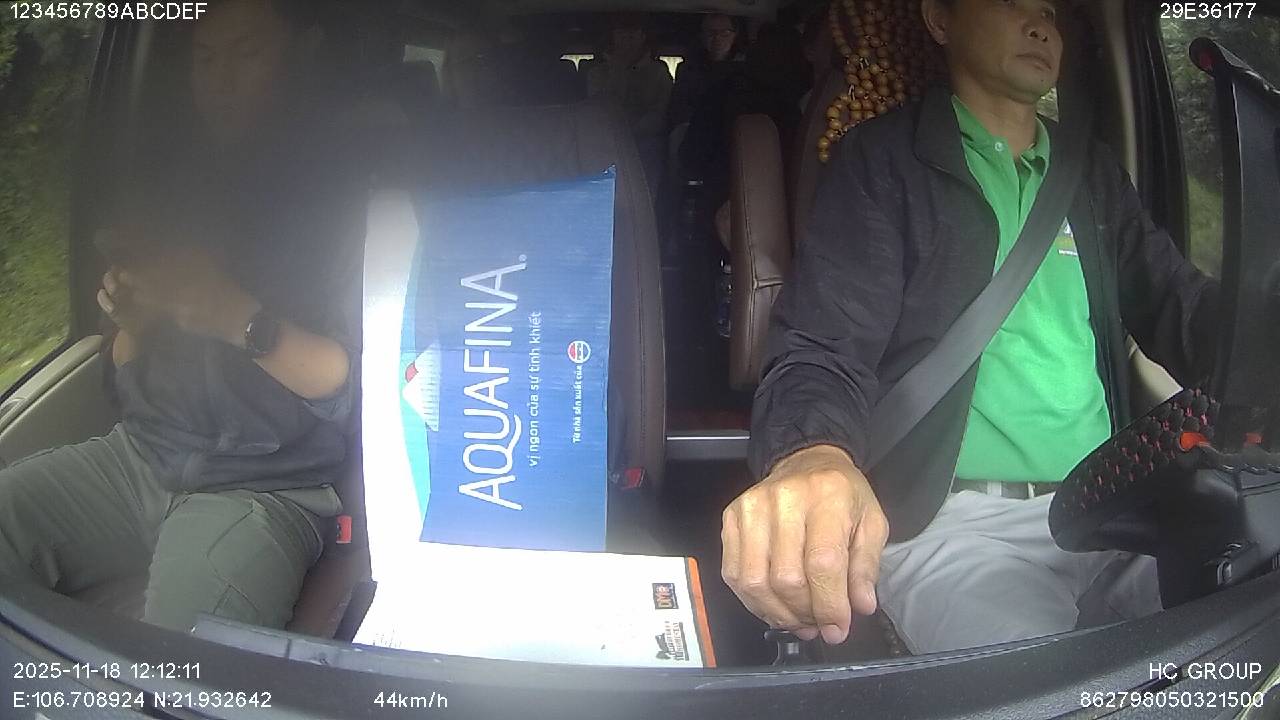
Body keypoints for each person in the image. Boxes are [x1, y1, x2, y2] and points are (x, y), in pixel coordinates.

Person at [720, 0, 1221, 655]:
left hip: (1113, 508)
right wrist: (813, 454)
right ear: (939, 19)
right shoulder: (885, 160)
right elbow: (823, 346)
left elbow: (1183, 308)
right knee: (1041, 685)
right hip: (955, 523)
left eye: (1050, 12)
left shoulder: (1090, 172)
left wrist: (1259, 339)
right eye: (1013, 2)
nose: (1040, 25)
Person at [0, 0, 381, 632]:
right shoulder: (173, 181)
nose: (220, 77)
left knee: (179, 663)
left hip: (264, 487)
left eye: (246, 52)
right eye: (205, 57)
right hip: (136, 457)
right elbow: (124, 371)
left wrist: (233, 316)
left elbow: (354, 389)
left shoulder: (355, 197)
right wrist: (136, 318)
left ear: (303, 50)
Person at [587, 14, 673, 190]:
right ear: (613, 36)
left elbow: (662, 112)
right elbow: (596, 110)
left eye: (633, 33)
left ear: (642, 36)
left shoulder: (658, 72)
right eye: (622, 33)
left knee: (651, 150)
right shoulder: (597, 73)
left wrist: (634, 130)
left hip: (646, 141)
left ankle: (646, 205)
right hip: (606, 139)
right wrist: (617, 72)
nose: (627, 39)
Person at [667, 14, 743, 132]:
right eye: (711, 33)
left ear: (734, 36)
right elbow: (679, 107)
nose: (717, 38)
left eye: (725, 33)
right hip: (695, 130)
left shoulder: (744, 69)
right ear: (702, 36)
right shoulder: (689, 69)